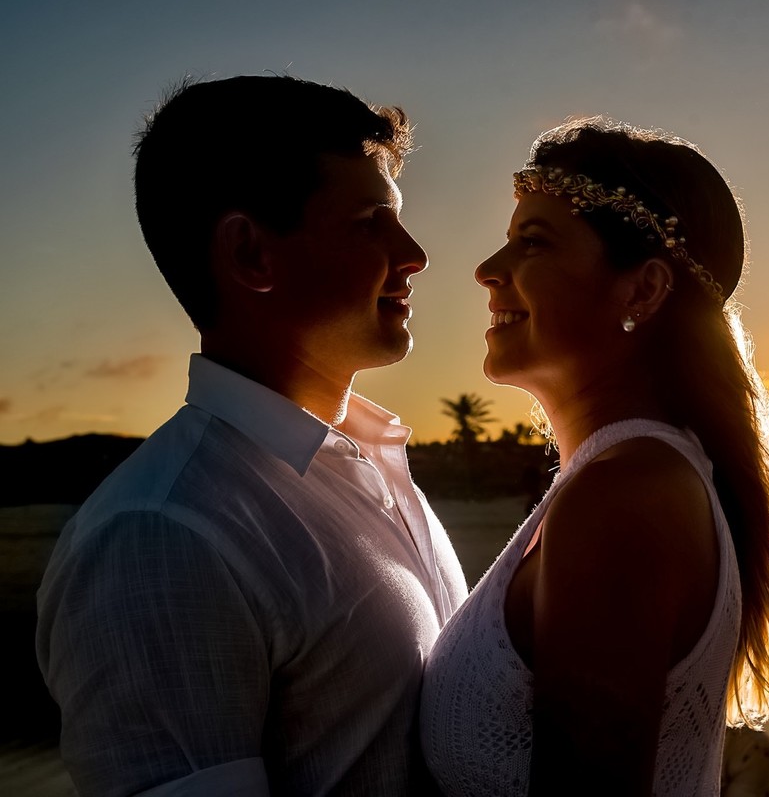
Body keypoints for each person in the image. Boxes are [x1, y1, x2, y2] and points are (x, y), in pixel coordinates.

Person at [36, 75, 467, 795]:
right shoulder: (160, 536)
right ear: (250, 256)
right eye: (370, 220)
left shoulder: (372, 464)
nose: (414, 252)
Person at [420, 118, 769, 796]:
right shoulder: (623, 480)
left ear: (642, 291)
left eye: (531, 243)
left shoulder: (624, 497)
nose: (487, 270)